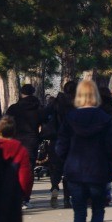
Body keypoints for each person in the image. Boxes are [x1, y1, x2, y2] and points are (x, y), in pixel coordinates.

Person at [55, 80, 112, 222]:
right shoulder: (104, 118)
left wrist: (66, 159)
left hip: (75, 170)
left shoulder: (70, 118)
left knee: (79, 213)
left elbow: (60, 147)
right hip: (98, 169)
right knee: (98, 209)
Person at [42, 81, 76, 209]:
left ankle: (55, 186)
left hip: (55, 138)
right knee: (68, 170)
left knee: (55, 168)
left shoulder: (56, 102)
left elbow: (43, 115)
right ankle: (67, 199)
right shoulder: (76, 103)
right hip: (71, 139)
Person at [0, 116, 34, 211]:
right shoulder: (20, 149)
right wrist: (23, 194)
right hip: (13, 193)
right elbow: (24, 175)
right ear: (14, 132)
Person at [5, 84, 43, 176]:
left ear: (21, 93)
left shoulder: (13, 108)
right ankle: (27, 187)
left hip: (15, 139)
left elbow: (6, 123)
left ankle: (16, 186)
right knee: (29, 165)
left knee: (15, 164)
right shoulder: (38, 108)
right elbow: (44, 123)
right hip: (32, 139)